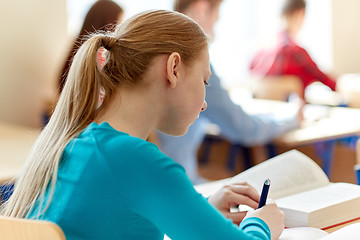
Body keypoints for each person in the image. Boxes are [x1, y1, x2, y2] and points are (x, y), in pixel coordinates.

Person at [0, 10, 284, 240]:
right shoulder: (136, 160)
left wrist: (202, 213)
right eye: (204, 81)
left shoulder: (77, 143)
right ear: (173, 69)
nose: (205, 102)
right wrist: (262, 225)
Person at [158, 0, 301, 184]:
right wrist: (293, 117)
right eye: (216, 19)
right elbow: (244, 128)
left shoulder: (155, 53)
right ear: (201, 9)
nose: (215, 29)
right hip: (177, 185)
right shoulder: (190, 63)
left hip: (155, 184)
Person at [249, 0, 336, 98]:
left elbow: (250, 76)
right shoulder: (297, 53)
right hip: (293, 111)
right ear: (300, 14)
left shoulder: (259, 52)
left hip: (261, 111)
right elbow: (328, 83)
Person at [58, 0, 124, 93]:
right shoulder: (100, 61)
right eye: (117, 24)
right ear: (108, 24)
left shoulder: (74, 55)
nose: (118, 31)